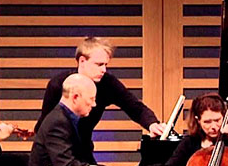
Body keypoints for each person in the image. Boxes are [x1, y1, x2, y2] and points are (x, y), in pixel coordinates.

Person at [33, 36, 167, 144]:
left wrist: (152, 124)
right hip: (56, 151)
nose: (104, 70)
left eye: (105, 65)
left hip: (84, 149)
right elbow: (45, 124)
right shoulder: (58, 85)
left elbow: (134, 107)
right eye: (99, 64)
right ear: (82, 61)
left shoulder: (107, 83)